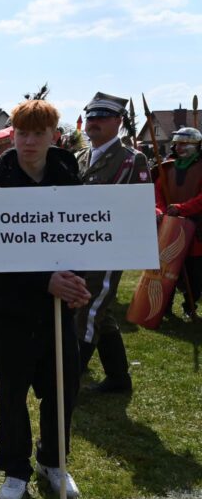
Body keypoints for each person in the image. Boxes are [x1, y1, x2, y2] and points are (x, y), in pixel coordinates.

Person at [0, 99, 91, 499]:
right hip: (11, 307)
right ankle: (14, 469)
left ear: (53, 136)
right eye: (22, 133)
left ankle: (53, 461)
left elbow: (85, 237)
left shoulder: (69, 177)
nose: (28, 142)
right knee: (12, 392)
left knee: (62, 387)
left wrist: (79, 285)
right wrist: (45, 281)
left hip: (58, 310)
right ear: (13, 134)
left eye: (38, 134)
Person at [74, 92, 150, 394]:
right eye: (90, 116)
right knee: (100, 314)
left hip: (108, 248)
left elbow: (139, 208)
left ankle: (68, 380)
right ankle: (119, 378)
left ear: (119, 121)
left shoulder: (132, 159)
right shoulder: (80, 157)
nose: (94, 122)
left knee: (89, 310)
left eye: (102, 116)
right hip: (78, 246)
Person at [154, 126, 202, 317]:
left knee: (194, 273)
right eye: (177, 143)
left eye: (184, 143)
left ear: (197, 145)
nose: (179, 147)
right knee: (167, 271)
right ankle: (165, 307)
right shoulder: (167, 167)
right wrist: (161, 210)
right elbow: (157, 192)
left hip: (196, 227)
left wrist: (182, 208)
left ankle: (190, 307)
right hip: (170, 226)